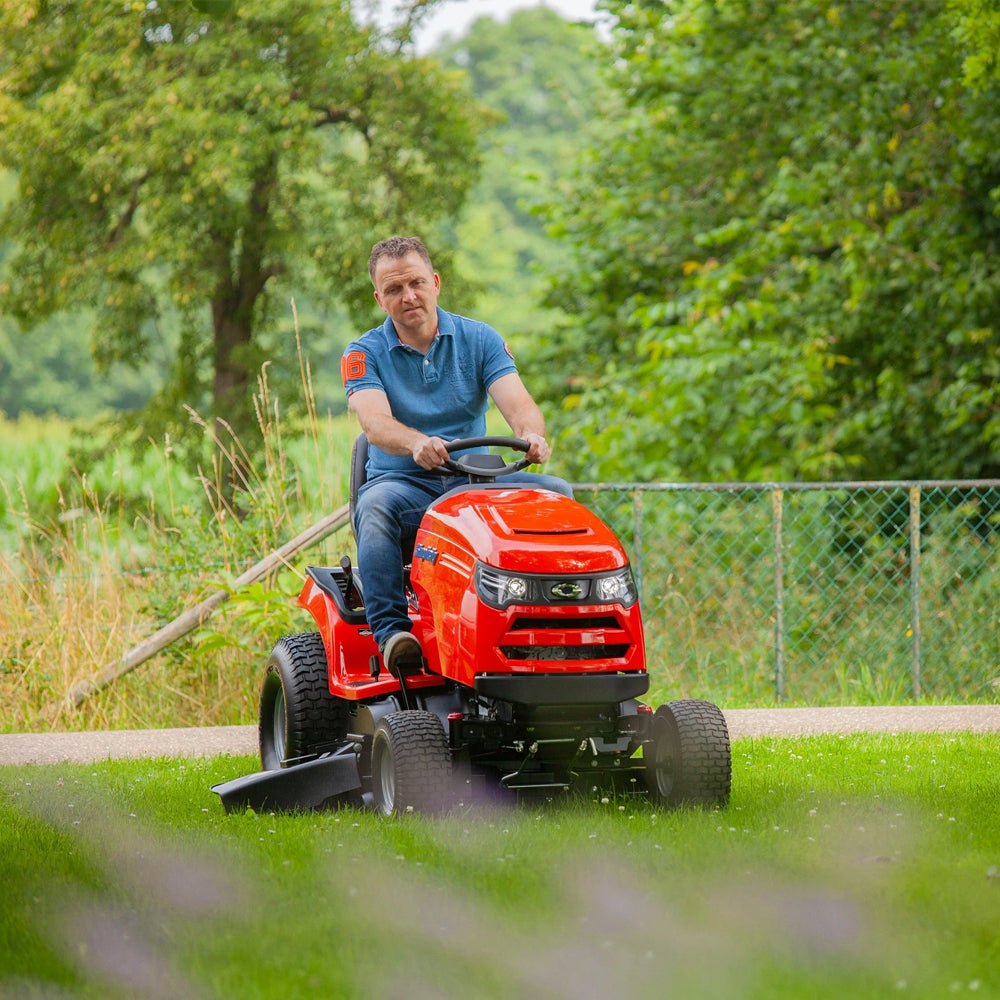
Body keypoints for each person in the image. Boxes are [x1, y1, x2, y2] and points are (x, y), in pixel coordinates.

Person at [341, 235, 572, 674]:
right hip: (406, 486)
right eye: (394, 289)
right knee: (374, 507)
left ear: (435, 282)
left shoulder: (479, 338)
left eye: (415, 283)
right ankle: (393, 635)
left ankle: (552, 622)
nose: (408, 296)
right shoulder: (363, 353)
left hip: (475, 483)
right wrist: (416, 443)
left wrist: (531, 435)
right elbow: (374, 423)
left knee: (557, 495)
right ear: (379, 299)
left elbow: (519, 404)